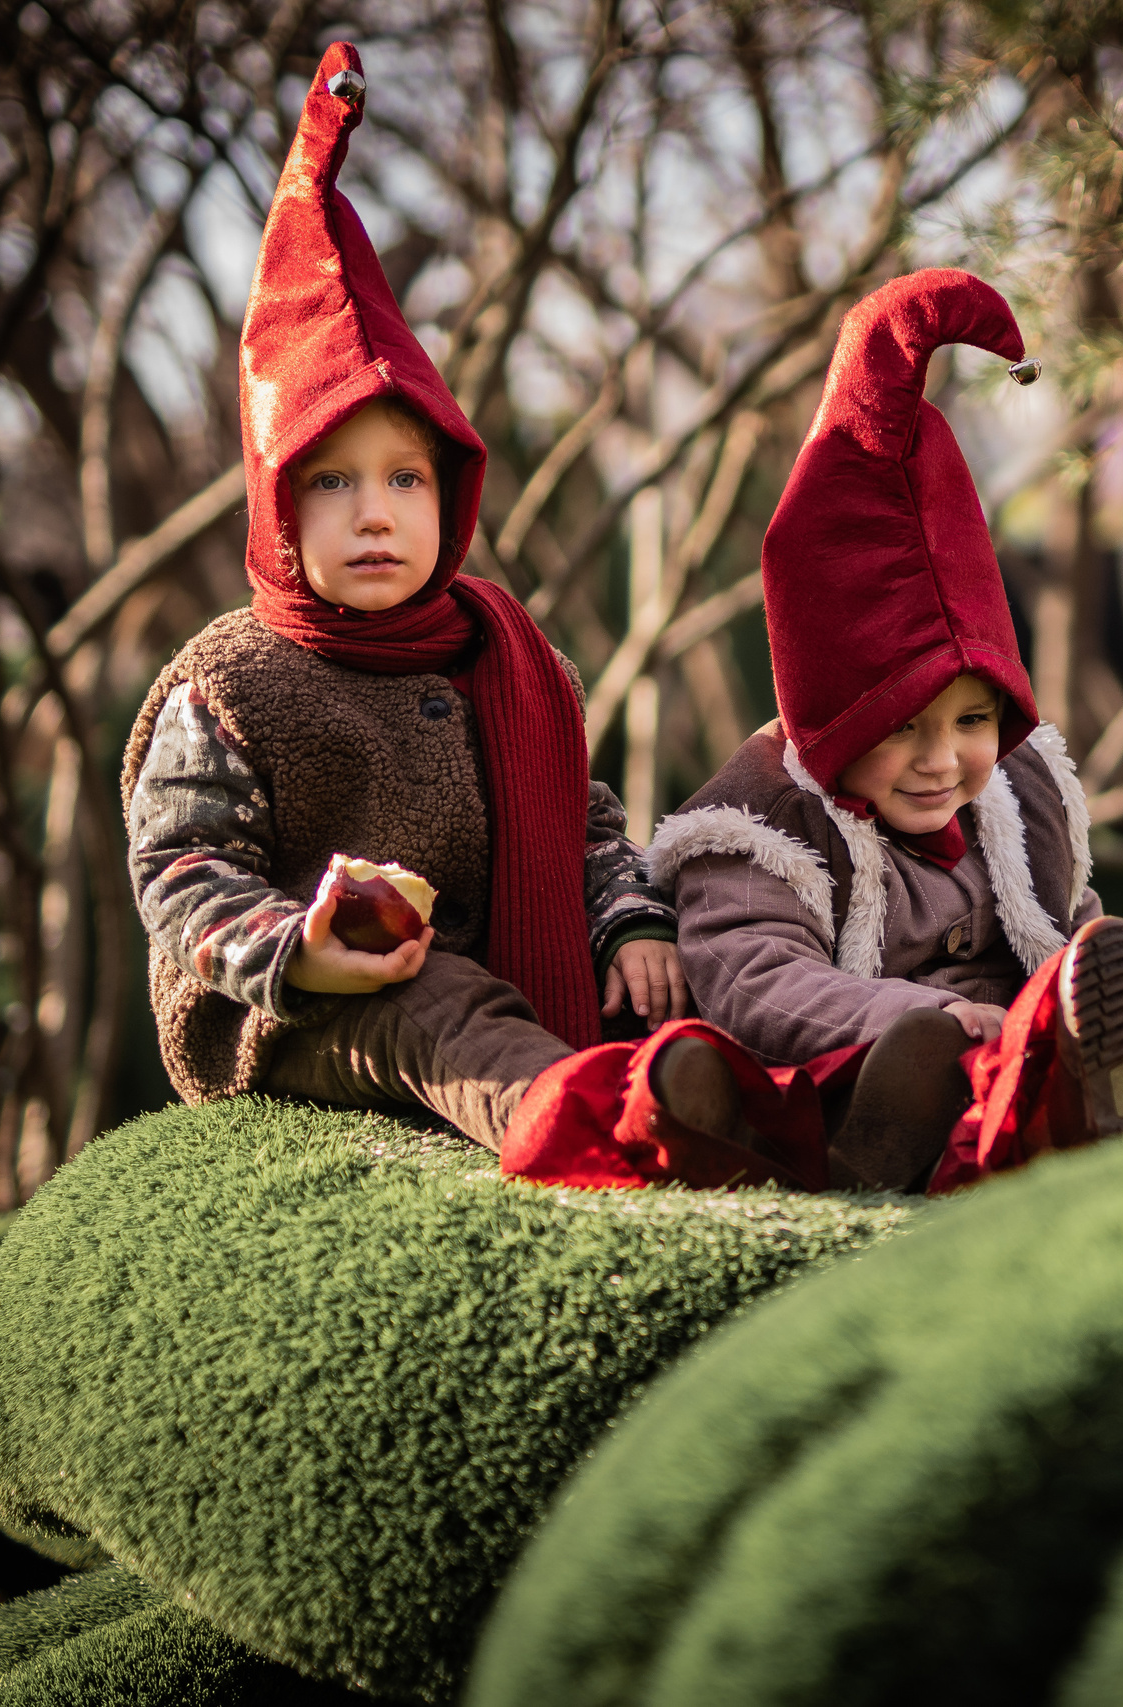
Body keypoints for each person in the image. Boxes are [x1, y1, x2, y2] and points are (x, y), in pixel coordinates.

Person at [122, 45, 900, 1193]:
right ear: (278, 504)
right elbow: (182, 870)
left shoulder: (503, 651)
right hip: (306, 1012)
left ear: (452, 497)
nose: (372, 514)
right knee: (433, 1000)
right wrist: (301, 950)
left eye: (404, 481)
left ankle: (821, 1119)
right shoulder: (234, 679)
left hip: (520, 973)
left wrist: (633, 927)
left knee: (663, 978)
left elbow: (583, 824)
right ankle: (602, 1127)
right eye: (331, 483)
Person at [641, 267, 1123, 1196]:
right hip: (892, 1072)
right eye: (903, 731)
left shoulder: (1017, 792)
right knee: (969, 1091)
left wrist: (1095, 964)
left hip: (1037, 1026)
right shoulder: (760, 829)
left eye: (974, 721)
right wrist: (931, 1010)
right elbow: (761, 985)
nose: (945, 762)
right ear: (828, 720)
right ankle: (1105, 1097)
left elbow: (1069, 929)